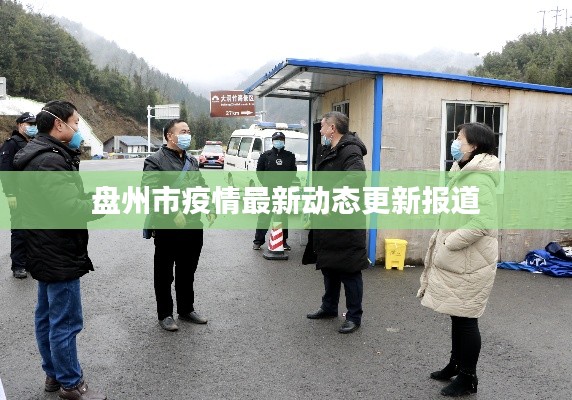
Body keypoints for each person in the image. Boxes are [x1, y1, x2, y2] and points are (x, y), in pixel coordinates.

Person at [13, 101, 106, 399]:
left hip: (42, 246)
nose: (78, 129)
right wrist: (102, 203)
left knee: (46, 317)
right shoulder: (50, 161)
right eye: (75, 122)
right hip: (59, 249)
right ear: (58, 124)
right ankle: (71, 383)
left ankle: (53, 374)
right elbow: (70, 209)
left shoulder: (35, 153)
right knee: (65, 321)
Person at [417, 122, 500, 397]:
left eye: (459, 138)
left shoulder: (479, 178)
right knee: (458, 314)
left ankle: (468, 378)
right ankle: (455, 365)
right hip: (462, 259)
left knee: (466, 319)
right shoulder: (463, 172)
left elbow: (483, 222)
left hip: (471, 261)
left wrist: (450, 242)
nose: (455, 142)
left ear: (473, 145)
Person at [142, 118, 216, 332]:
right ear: (170, 136)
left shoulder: (191, 161)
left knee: (187, 270)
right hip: (168, 226)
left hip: (193, 224)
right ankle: (165, 314)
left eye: (188, 131)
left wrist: (209, 207)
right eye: (183, 131)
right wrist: (173, 212)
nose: (187, 135)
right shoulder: (155, 160)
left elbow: (201, 186)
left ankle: (186, 309)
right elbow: (150, 192)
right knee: (164, 273)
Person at [306, 111, 369, 334]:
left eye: (323, 127)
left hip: (345, 222)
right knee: (329, 267)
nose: (320, 131)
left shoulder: (350, 150)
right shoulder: (328, 149)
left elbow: (355, 178)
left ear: (332, 128)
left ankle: (354, 316)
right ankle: (329, 307)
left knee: (349, 271)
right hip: (328, 221)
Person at [0, 112, 38, 279]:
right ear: (20, 125)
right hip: (17, 194)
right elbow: (5, 172)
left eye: (34, 124)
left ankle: (29, 262)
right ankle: (18, 265)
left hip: (32, 195)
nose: (33, 127)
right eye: (29, 124)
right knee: (20, 230)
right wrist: (10, 194)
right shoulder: (11, 144)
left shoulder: (33, 143)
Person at [252, 131, 297, 250]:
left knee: (283, 217)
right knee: (264, 216)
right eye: (276, 140)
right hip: (269, 191)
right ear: (272, 141)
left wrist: (286, 184)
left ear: (284, 141)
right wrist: (266, 184)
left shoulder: (290, 156)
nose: (279, 142)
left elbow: (293, 173)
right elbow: (259, 172)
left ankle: (283, 241)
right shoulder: (265, 155)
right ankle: (258, 241)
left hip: (283, 191)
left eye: (281, 140)